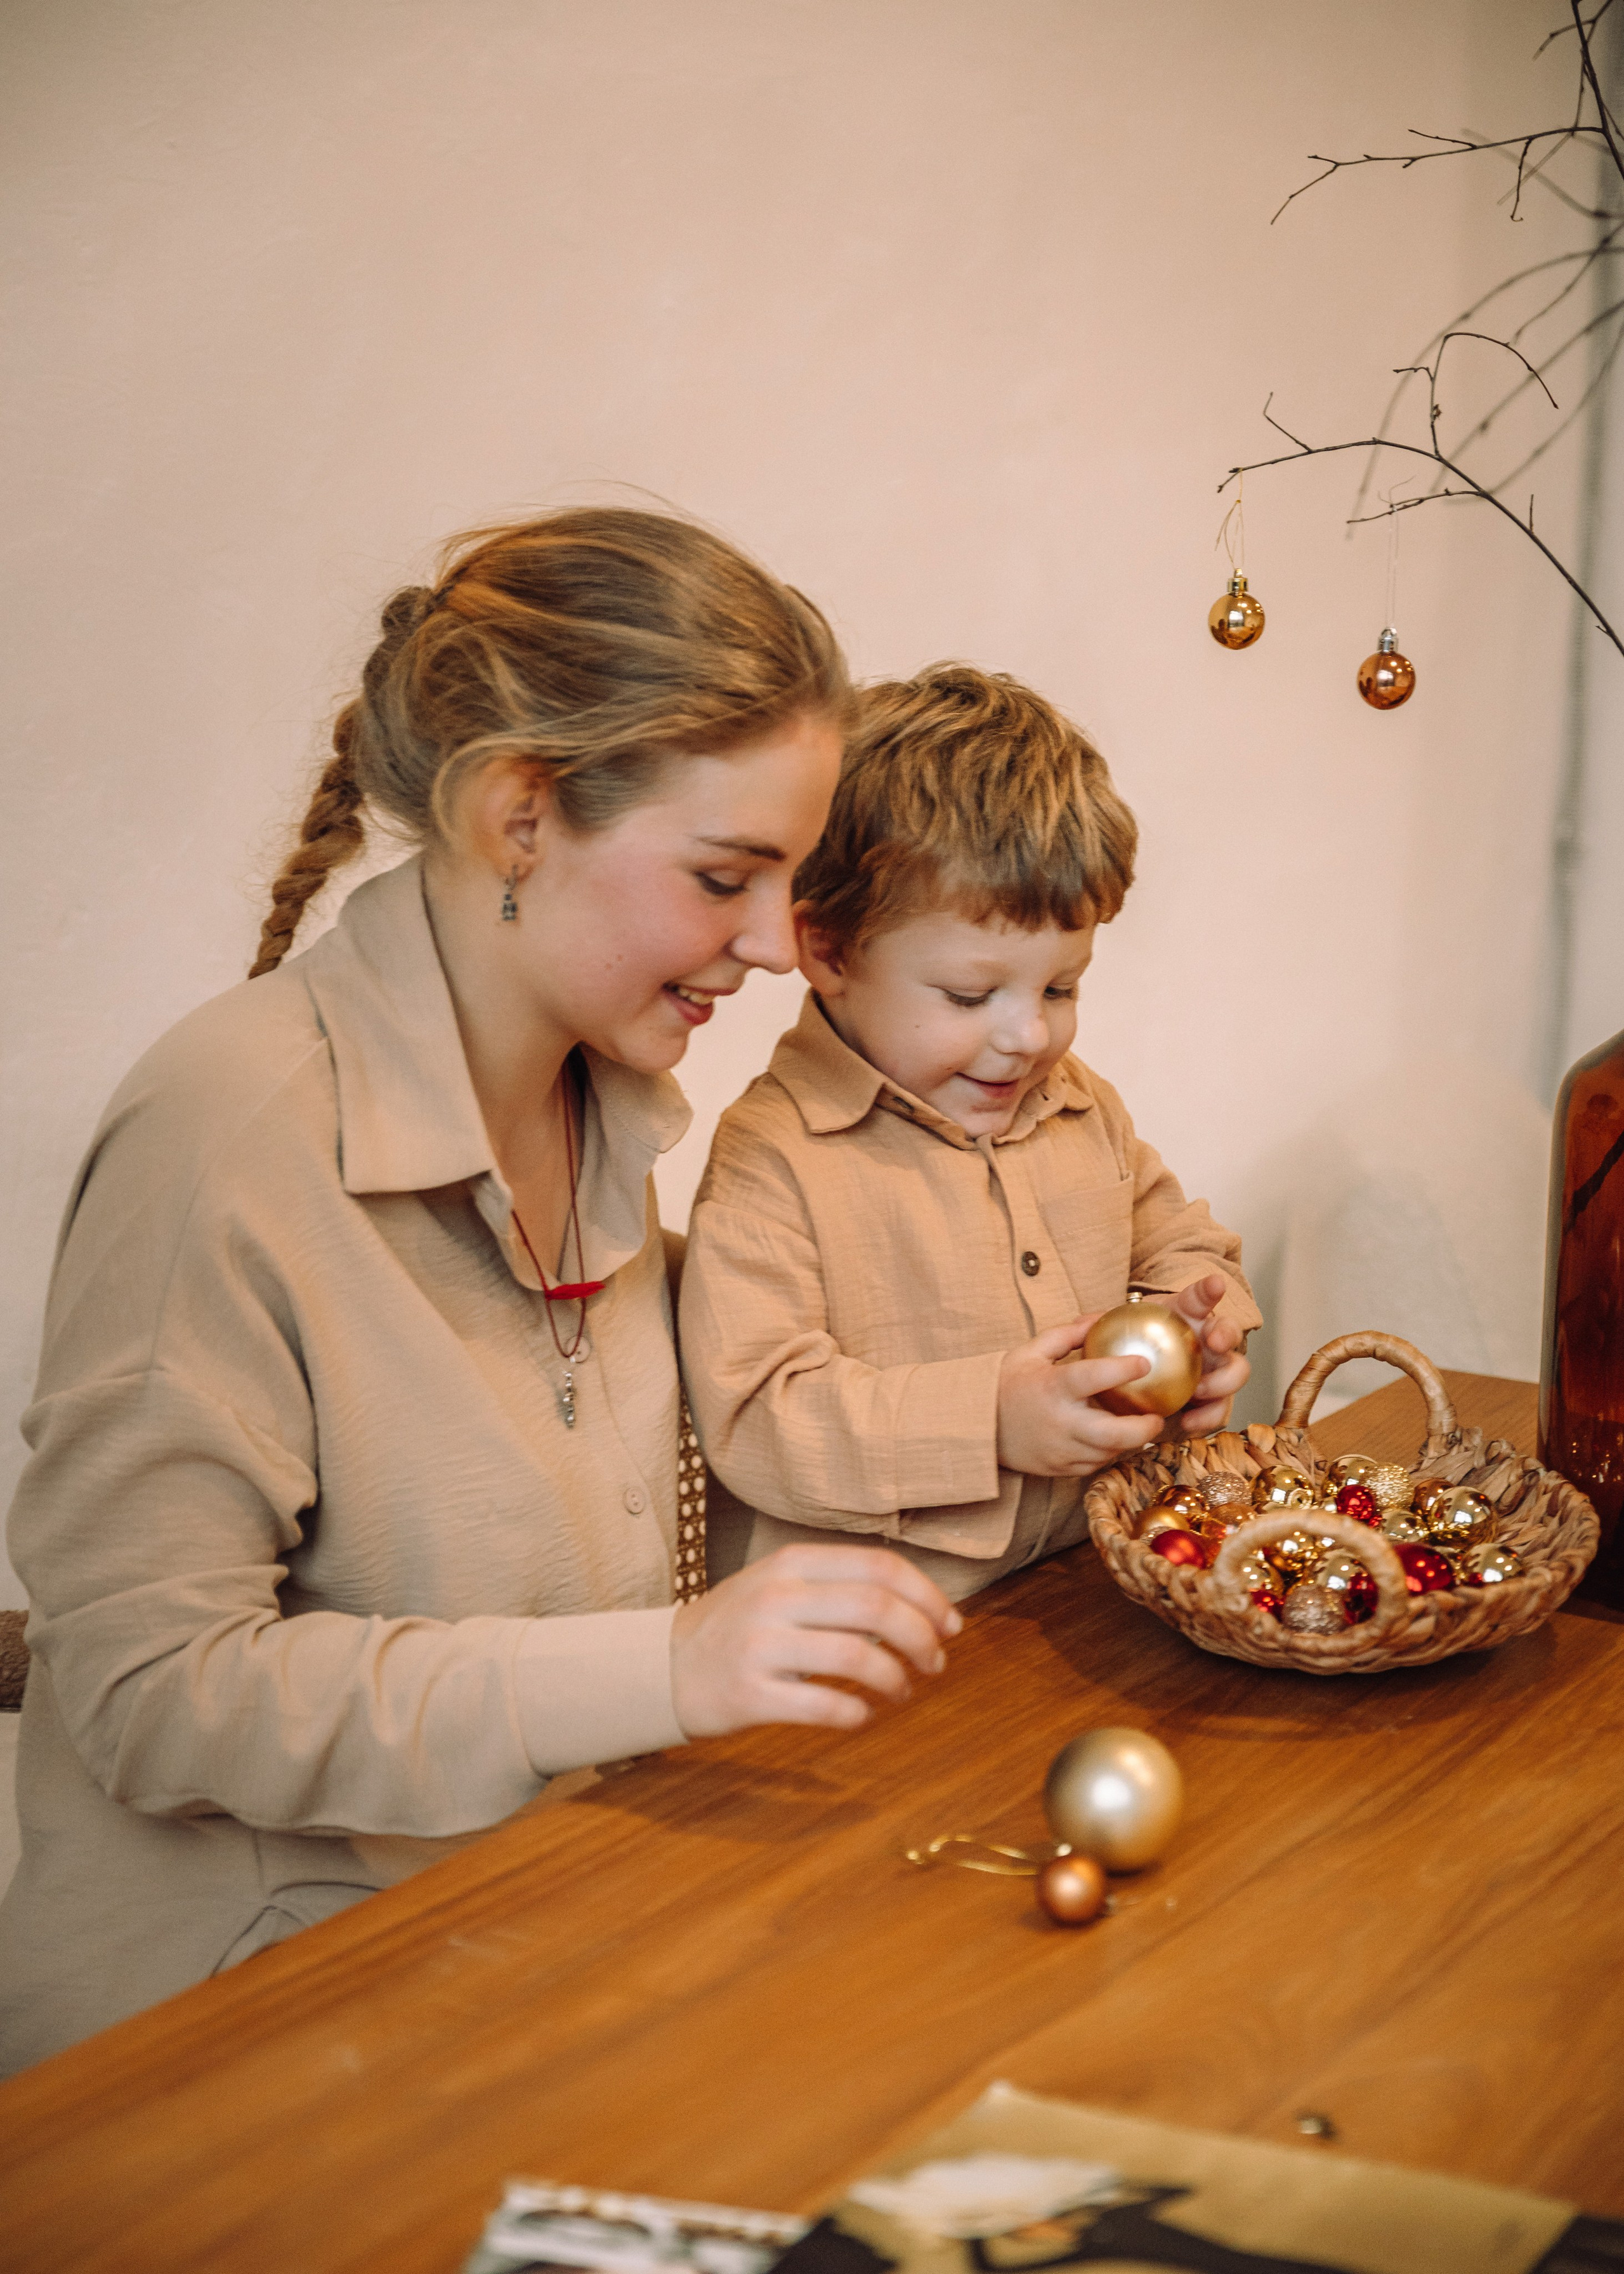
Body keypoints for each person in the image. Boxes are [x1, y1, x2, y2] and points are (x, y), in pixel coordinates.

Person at [0, 511, 960, 2072]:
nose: (781, 945)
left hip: (538, 1931)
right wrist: (671, 1667)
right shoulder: (227, 1132)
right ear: (520, 815)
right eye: (729, 873)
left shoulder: (604, 1110)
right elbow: (150, 1694)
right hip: (236, 2044)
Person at [680, 662, 1261, 1600]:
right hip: (881, 1642)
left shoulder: (1079, 1105)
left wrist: (1196, 1326)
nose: (1029, 1036)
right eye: (968, 994)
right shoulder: (775, 1154)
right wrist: (988, 1420)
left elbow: (1184, 1242)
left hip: (1090, 1587)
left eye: (1061, 989)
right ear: (827, 950)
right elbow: (758, 1416)